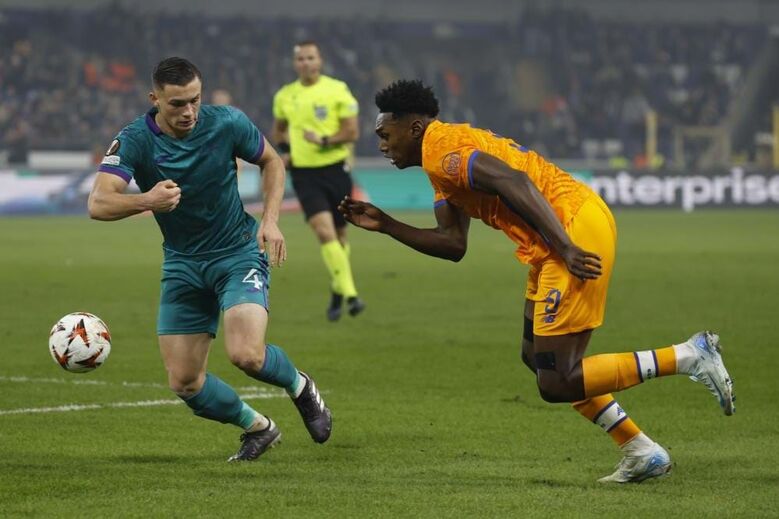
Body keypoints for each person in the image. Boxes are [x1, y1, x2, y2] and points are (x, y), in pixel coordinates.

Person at [339, 80, 735, 483]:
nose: (382, 145)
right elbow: (453, 244)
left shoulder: (443, 152)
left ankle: (688, 356)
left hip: (570, 229)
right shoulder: (439, 161)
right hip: (555, 238)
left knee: (557, 380)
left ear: (414, 128)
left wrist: (565, 247)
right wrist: (387, 224)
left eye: (385, 135)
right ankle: (640, 450)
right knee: (536, 358)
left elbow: (514, 182)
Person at [88, 57, 332, 462]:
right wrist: (148, 200)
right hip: (182, 264)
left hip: (238, 252)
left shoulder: (227, 122)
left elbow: (272, 161)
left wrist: (270, 220)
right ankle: (259, 427)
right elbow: (98, 203)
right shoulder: (135, 139)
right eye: (177, 104)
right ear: (154, 99)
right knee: (184, 382)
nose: (188, 112)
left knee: (247, 354)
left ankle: (300, 386)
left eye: (195, 100)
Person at [272, 40, 365, 321]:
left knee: (341, 236)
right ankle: (352, 295)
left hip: (336, 169)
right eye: (301, 58)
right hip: (304, 174)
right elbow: (279, 131)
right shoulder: (285, 96)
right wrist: (286, 151)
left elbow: (352, 132)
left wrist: (324, 140)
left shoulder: (337, 90)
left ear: (320, 60)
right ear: (295, 63)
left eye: (310, 57)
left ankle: (337, 290)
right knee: (324, 232)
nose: (306, 63)